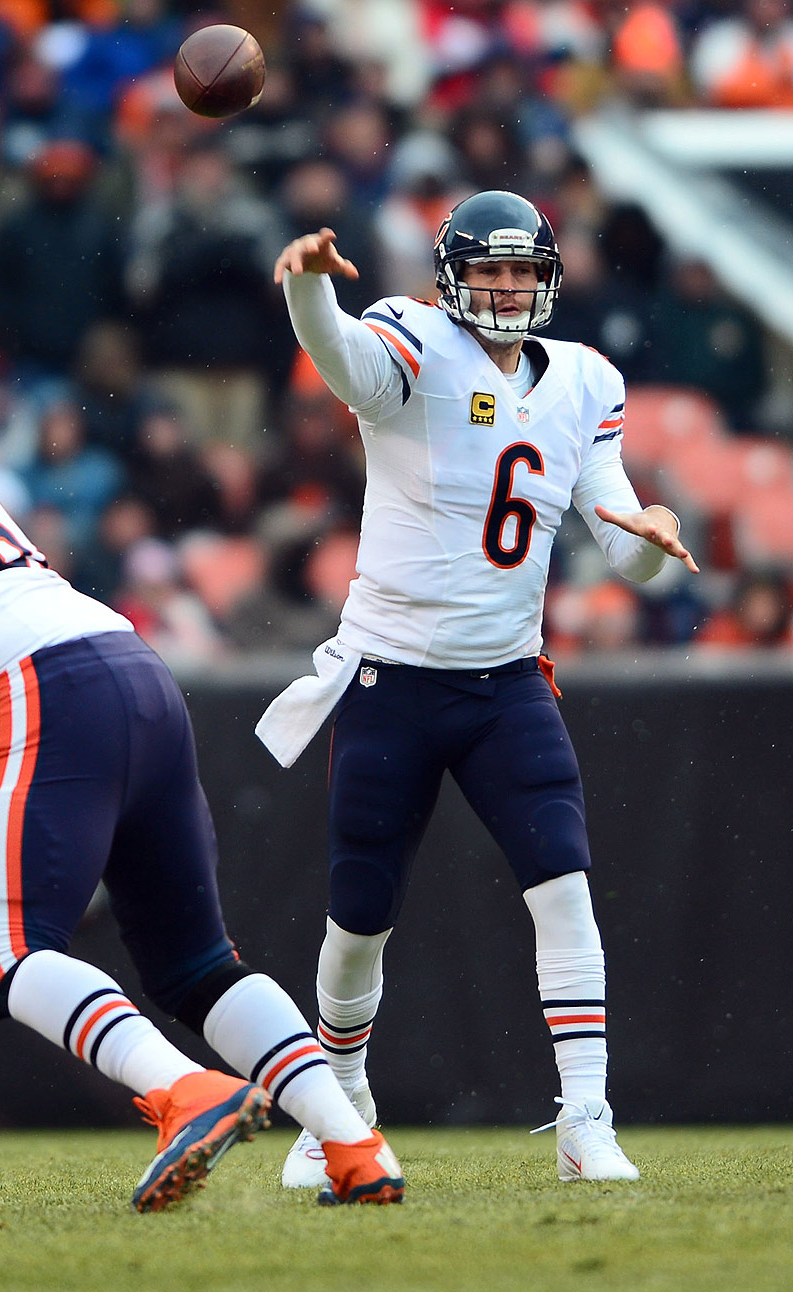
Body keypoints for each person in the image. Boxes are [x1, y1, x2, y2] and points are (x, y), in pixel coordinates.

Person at [0, 340, 404, 1212]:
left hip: (38, 688)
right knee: (196, 963)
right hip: (130, 667)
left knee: (3, 951)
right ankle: (352, 1142)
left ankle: (179, 1090)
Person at [258, 189, 698, 1191]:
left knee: (567, 892)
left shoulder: (585, 380)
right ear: (454, 276)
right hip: (391, 680)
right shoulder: (414, 341)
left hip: (507, 685)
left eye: (522, 271)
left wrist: (651, 539)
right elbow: (345, 365)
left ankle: (587, 1119)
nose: (506, 288)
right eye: (489, 270)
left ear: (546, 277)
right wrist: (312, 295)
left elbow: (617, 531)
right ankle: (342, 1108)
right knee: (357, 921)